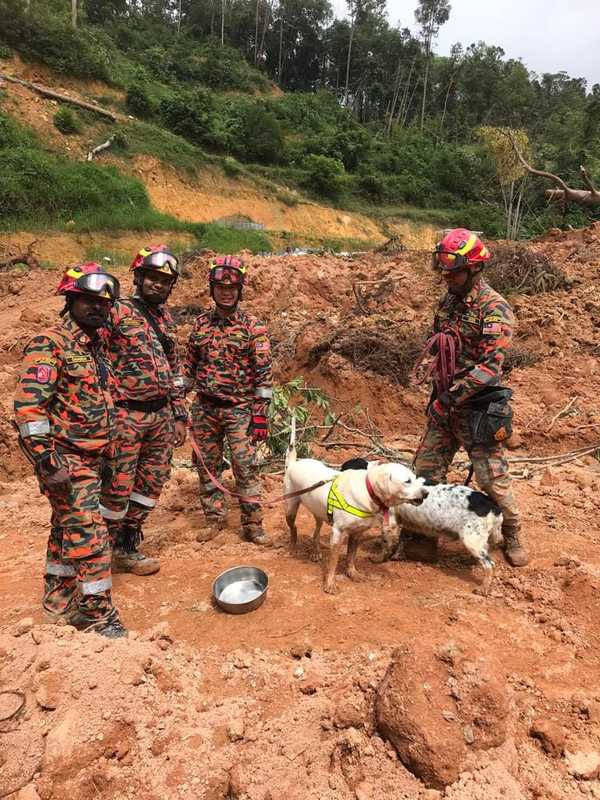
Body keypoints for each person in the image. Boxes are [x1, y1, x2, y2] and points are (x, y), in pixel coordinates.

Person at [400, 228, 528, 567]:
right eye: (442, 269)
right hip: (444, 406)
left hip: (478, 411)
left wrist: (451, 396)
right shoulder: (447, 302)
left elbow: (490, 367)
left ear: (474, 268)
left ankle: (512, 531)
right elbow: (437, 343)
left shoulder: (494, 309)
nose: (446, 277)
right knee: (425, 473)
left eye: (453, 270)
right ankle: (422, 535)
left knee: (492, 480)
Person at [14, 263, 127, 638]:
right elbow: (30, 410)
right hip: (65, 459)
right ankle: (97, 615)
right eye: (88, 300)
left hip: (94, 458)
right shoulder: (51, 343)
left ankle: (58, 605)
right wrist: (46, 461)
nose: (98, 308)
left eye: (104, 303)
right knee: (91, 537)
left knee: (65, 531)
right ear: (70, 298)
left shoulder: (97, 346)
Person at [101, 245, 188, 576]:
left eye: (166, 281)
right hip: (125, 416)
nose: (159, 285)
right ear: (138, 278)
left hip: (161, 417)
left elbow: (174, 368)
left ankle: (126, 548)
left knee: (150, 485)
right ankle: (98, 556)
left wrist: (179, 413)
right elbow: (95, 355)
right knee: (116, 488)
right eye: (152, 278)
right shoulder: (115, 312)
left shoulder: (164, 317)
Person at [184, 255, 272, 546]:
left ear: (240, 291)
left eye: (232, 288)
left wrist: (260, 417)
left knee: (245, 467)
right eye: (220, 287)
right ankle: (214, 519)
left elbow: (264, 375)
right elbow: (189, 367)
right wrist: (175, 395)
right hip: (205, 409)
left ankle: (253, 523)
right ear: (211, 289)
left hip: (239, 410)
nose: (226, 292)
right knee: (207, 466)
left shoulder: (253, 327)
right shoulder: (199, 325)